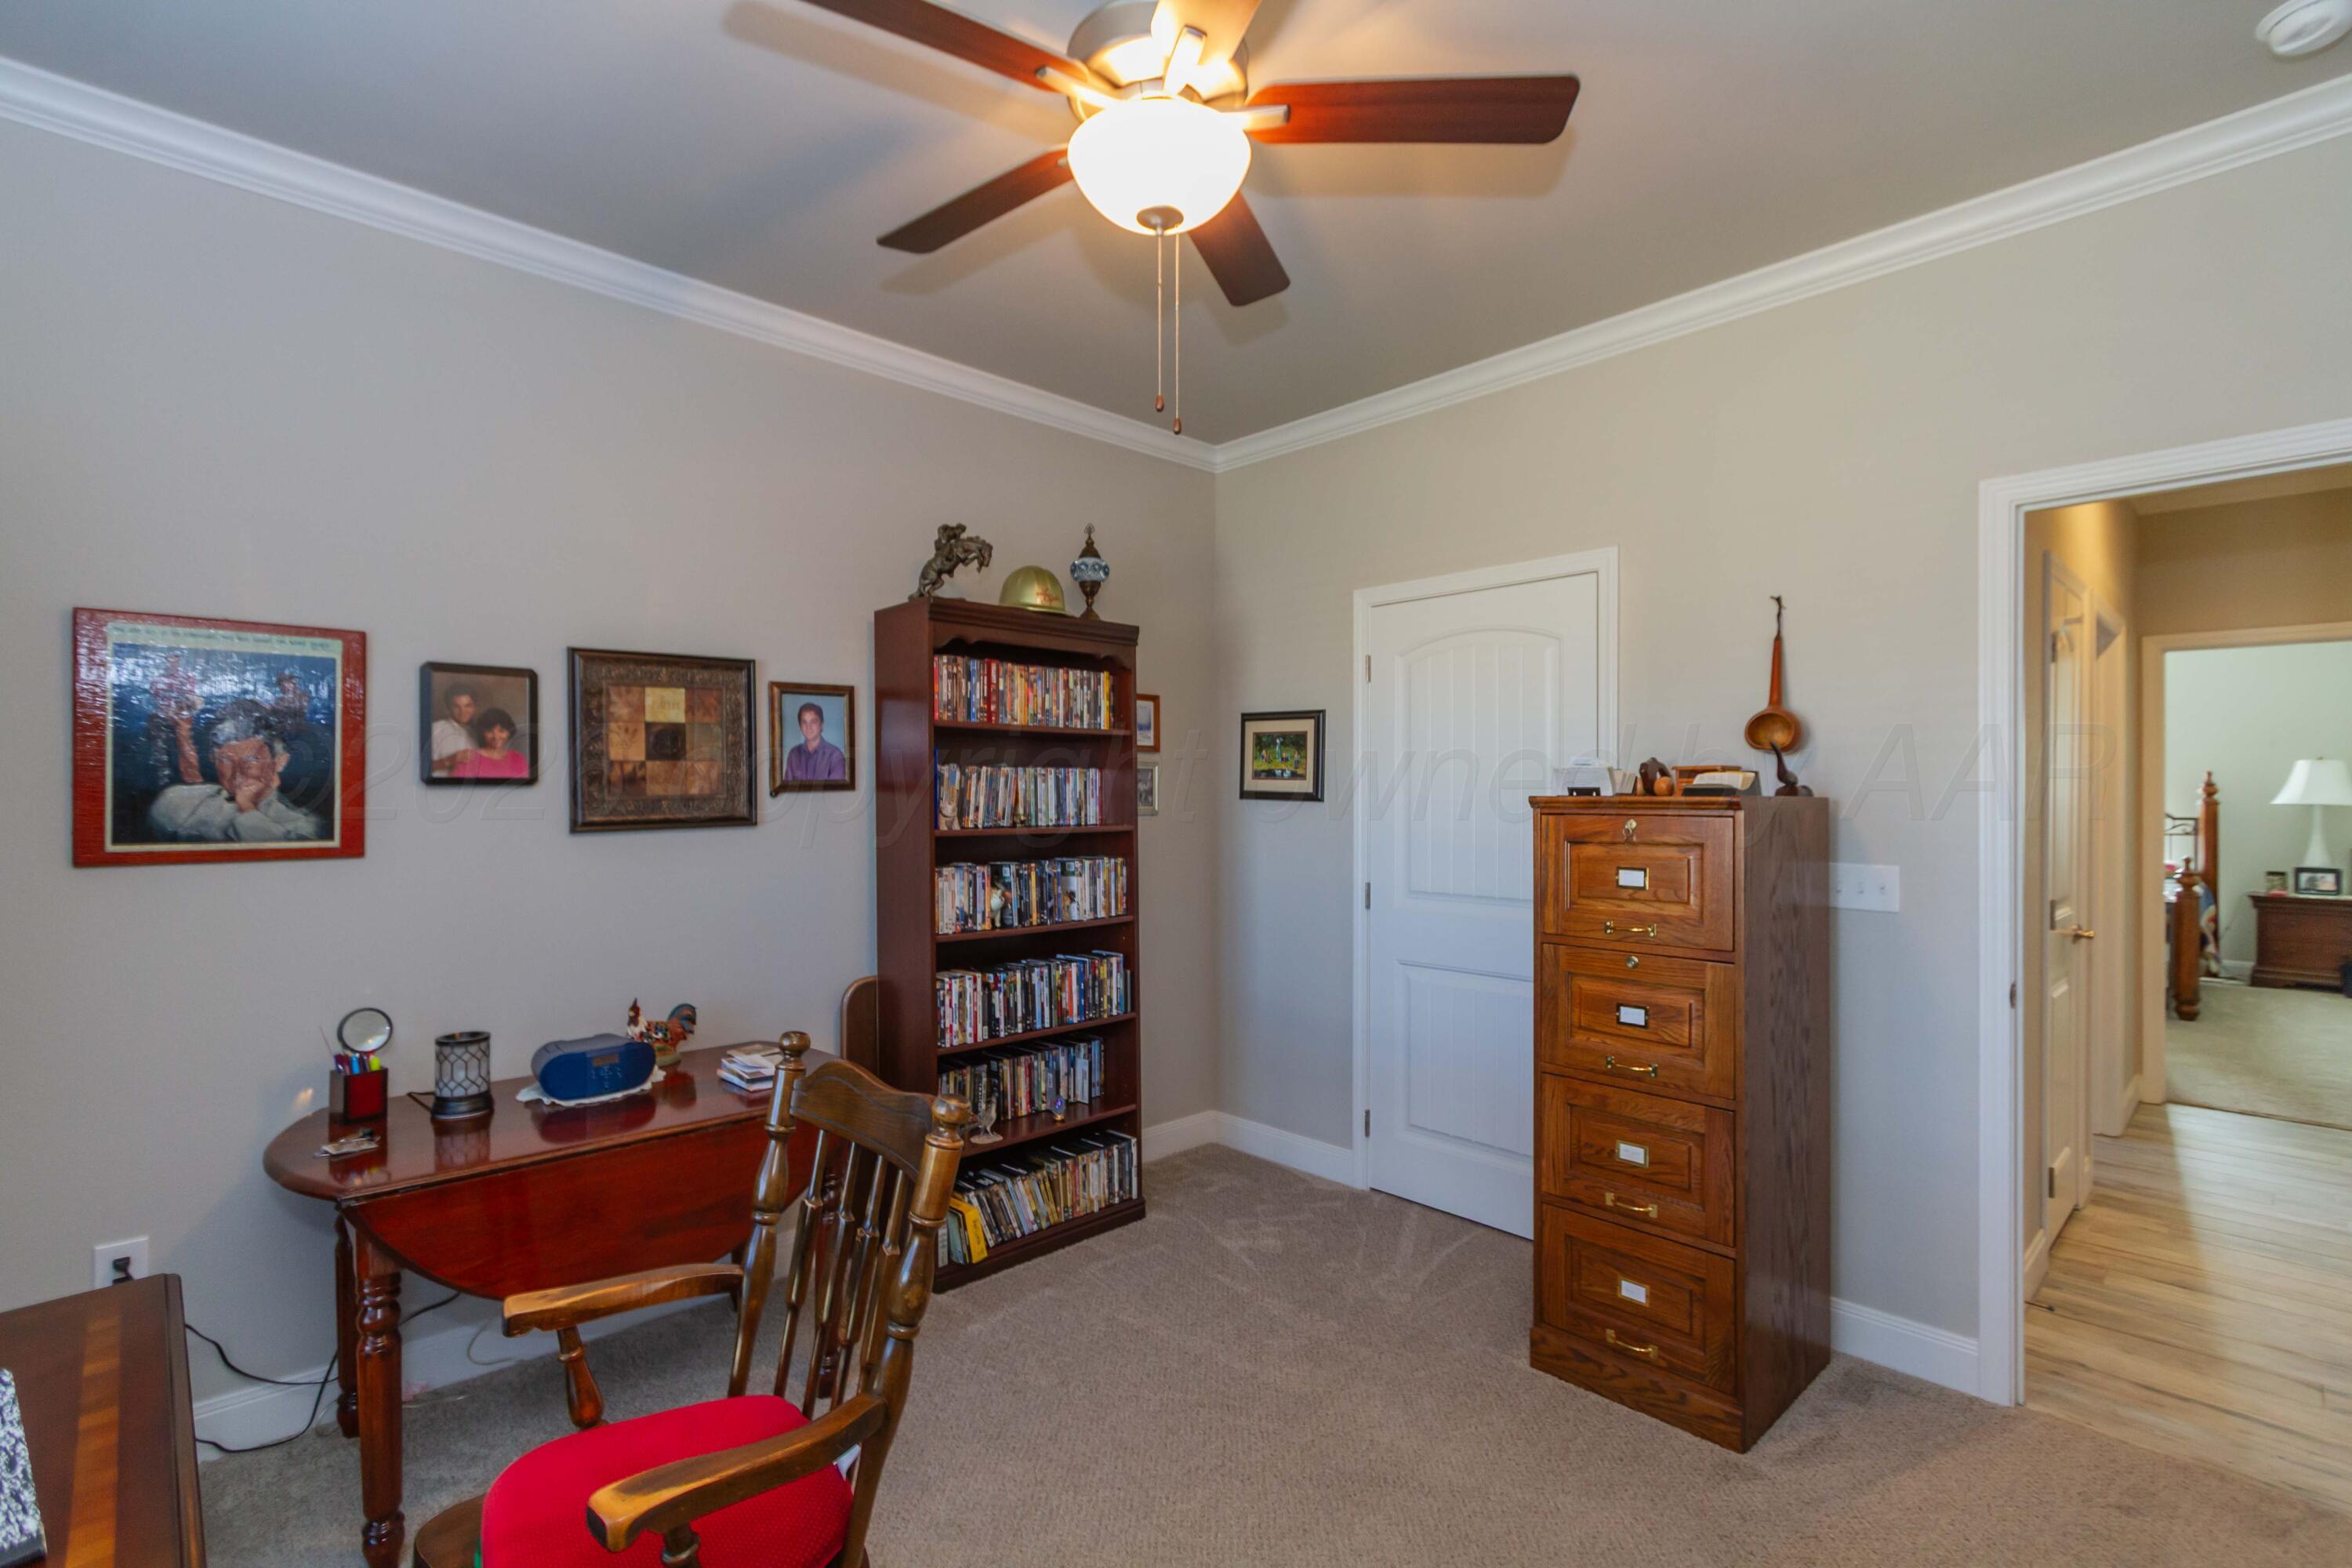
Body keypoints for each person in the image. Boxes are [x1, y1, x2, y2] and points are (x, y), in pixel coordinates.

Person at [148, 699, 325, 841]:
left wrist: (247, 808)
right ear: (214, 760)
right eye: (225, 760)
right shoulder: (176, 802)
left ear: (279, 762)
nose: (238, 772)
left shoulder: (303, 826)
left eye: (251, 759)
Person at [449, 707, 529, 779]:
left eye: (501, 731)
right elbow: (457, 791)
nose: (496, 737)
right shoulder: (468, 758)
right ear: (482, 733)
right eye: (490, 731)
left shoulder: (518, 759)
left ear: (508, 732)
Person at [782, 700, 847, 782]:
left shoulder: (835, 755)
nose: (808, 727)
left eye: (813, 722)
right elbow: (788, 789)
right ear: (800, 726)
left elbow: (837, 793)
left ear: (821, 725)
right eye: (804, 722)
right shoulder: (794, 754)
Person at [430, 684, 478, 775]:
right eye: (456, 706)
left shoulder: (475, 734)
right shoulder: (434, 729)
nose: (463, 711)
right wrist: (449, 760)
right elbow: (417, 767)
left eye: (468, 706)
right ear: (448, 708)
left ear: (474, 708)